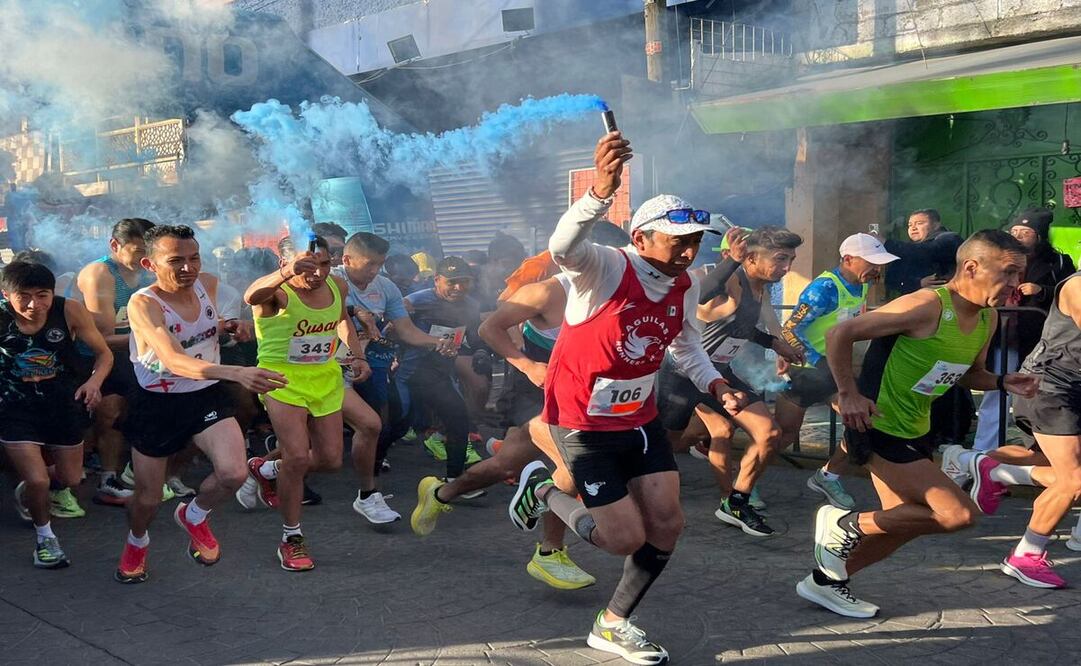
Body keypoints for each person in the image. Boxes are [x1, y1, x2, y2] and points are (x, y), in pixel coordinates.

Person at [508, 130, 746, 665]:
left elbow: (687, 350)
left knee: (667, 525)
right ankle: (542, 490)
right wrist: (599, 191)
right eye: (676, 241)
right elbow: (563, 247)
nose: (689, 252)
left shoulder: (683, 287)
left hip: (638, 420)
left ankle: (613, 624)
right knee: (619, 538)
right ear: (641, 240)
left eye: (696, 242)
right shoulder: (606, 267)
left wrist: (718, 385)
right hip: (582, 424)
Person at [798, 229, 1037, 618]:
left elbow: (967, 374)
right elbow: (842, 332)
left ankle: (825, 582)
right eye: (1008, 273)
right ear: (972, 267)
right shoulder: (926, 304)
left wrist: (1001, 381)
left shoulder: (987, 318)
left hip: (916, 427)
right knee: (957, 514)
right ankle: (844, 522)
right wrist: (849, 394)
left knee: (903, 524)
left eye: (1018, 274)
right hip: (877, 424)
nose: (1015, 284)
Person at [410, 224, 631, 588]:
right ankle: (549, 552)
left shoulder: (618, 295)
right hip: (534, 394)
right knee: (574, 461)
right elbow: (490, 328)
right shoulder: (547, 291)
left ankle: (438, 493)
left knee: (503, 464)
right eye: (614, 261)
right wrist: (528, 365)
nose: (621, 270)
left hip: (581, 397)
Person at [115, 225, 285, 584]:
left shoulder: (207, 284)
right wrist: (236, 372)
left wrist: (229, 326)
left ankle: (193, 514)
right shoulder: (143, 302)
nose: (187, 268)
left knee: (234, 473)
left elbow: (203, 327)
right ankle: (137, 541)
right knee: (147, 498)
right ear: (150, 263)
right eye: (175, 260)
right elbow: (173, 359)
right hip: (157, 403)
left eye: (193, 258)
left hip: (204, 395)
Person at [656, 226, 803, 537]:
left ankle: (735, 501)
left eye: (790, 260)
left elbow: (740, 328)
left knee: (768, 432)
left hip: (720, 373)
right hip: (682, 374)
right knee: (667, 447)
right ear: (749, 258)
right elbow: (701, 293)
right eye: (780, 259)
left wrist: (774, 343)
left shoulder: (759, 288)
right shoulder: (728, 279)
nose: (787, 268)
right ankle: (632, 492)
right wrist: (730, 262)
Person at [241, 234, 367, 571]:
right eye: (307, 265)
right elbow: (251, 295)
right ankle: (291, 539)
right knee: (297, 454)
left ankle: (266, 469)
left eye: (324, 264)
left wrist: (356, 356)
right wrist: (287, 273)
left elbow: (342, 322)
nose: (316, 272)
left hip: (324, 377)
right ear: (285, 263)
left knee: (329, 460)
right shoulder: (278, 292)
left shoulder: (337, 286)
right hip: (281, 379)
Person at [332, 231, 452, 523]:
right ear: (347, 259)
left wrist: (437, 342)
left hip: (369, 364)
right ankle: (269, 470)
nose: (375, 271)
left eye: (379, 264)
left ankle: (368, 489)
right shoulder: (331, 280)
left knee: (392, 421)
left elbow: (406, 329)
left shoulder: (385, 287)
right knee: (321, 449)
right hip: (325, 366)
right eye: (369, 264)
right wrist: (353, 312)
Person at [776, 233, 899, 509]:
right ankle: (744, 485)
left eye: (880, 263)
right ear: (848, 260)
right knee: (782, 436)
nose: (877, 269)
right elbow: (790, 329)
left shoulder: (862, 284)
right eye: (872, 262)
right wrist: (817, 360)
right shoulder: (823, 289)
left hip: (833, 373)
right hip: (807, 372)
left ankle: (828, 476)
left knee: (864, 420)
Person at [1, 261, 111, 567]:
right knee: (38, 481)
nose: (34, 304)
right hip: (14, 407)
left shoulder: (69, 310)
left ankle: (32, 483)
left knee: (70, 478)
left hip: (62, 405)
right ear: (6, 294)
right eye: (23, 296)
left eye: (42, 295)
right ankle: (45, 539)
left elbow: (104, 353)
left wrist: (94, 382)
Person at [970, 208, 1075, 453]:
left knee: (1038, 394)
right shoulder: (997, 257)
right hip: (1003, 336)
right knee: (996, 392)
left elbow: (1067, 293)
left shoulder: (1057, 261)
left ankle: (1038, 450)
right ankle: (984, 452)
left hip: (1038, 340)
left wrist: (1042, 291)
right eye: (1014, 230)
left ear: (1038, 236)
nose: (1018, 236)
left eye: (1025, 232)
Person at [76, 218, 155, 506]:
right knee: (104, 412)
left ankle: (118, 475)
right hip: (90, 356)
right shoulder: (101, 274)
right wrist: (158, 337)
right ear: (115, 245)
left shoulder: (148, 270)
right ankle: (65, 481)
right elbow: (101, 338)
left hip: (129, 354)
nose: (144, 259)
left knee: (123, 410)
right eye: (137, 251)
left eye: (149, 251)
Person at [399, 257, 486, 480]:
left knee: (458, 418)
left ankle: (454, 480)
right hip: (407, 373)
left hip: (437, 374)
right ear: (437, 280)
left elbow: (474, 337)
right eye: (452, 282)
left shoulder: (471, 305)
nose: (459, 288)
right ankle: (371, 477)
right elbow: (392, 329)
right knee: (396, 427)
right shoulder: (414, 301)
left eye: (465, 282)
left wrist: (480, 352)